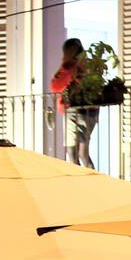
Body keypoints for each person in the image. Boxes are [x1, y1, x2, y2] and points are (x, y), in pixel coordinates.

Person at [50, 38, 98, 168]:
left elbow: (55, 86)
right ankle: (93, 182)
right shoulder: (88, 65)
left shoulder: (70, 67)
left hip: (75, 111)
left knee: (73, 153)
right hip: (90, 111)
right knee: (83, 153)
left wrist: (65, 67)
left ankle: (81, 183)